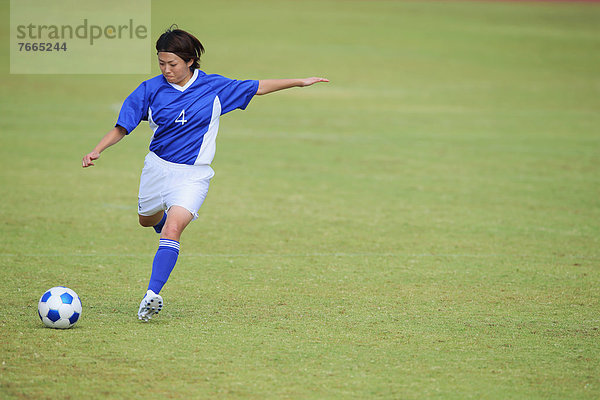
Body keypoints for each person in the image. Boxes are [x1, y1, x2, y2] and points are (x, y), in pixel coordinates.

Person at [82, 27, 328, 322]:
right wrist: (98, 149)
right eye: (161, 63)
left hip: (193, 177)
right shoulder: (149, 89)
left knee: (173, 230)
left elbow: (258, 86)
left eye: (172, 64)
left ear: (189, 61)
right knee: (146, 220)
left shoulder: (214, 87)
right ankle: (159, 221)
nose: (166, 70)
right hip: (157, 170)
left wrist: (299, 82)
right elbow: (123, 126)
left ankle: (152, 295)